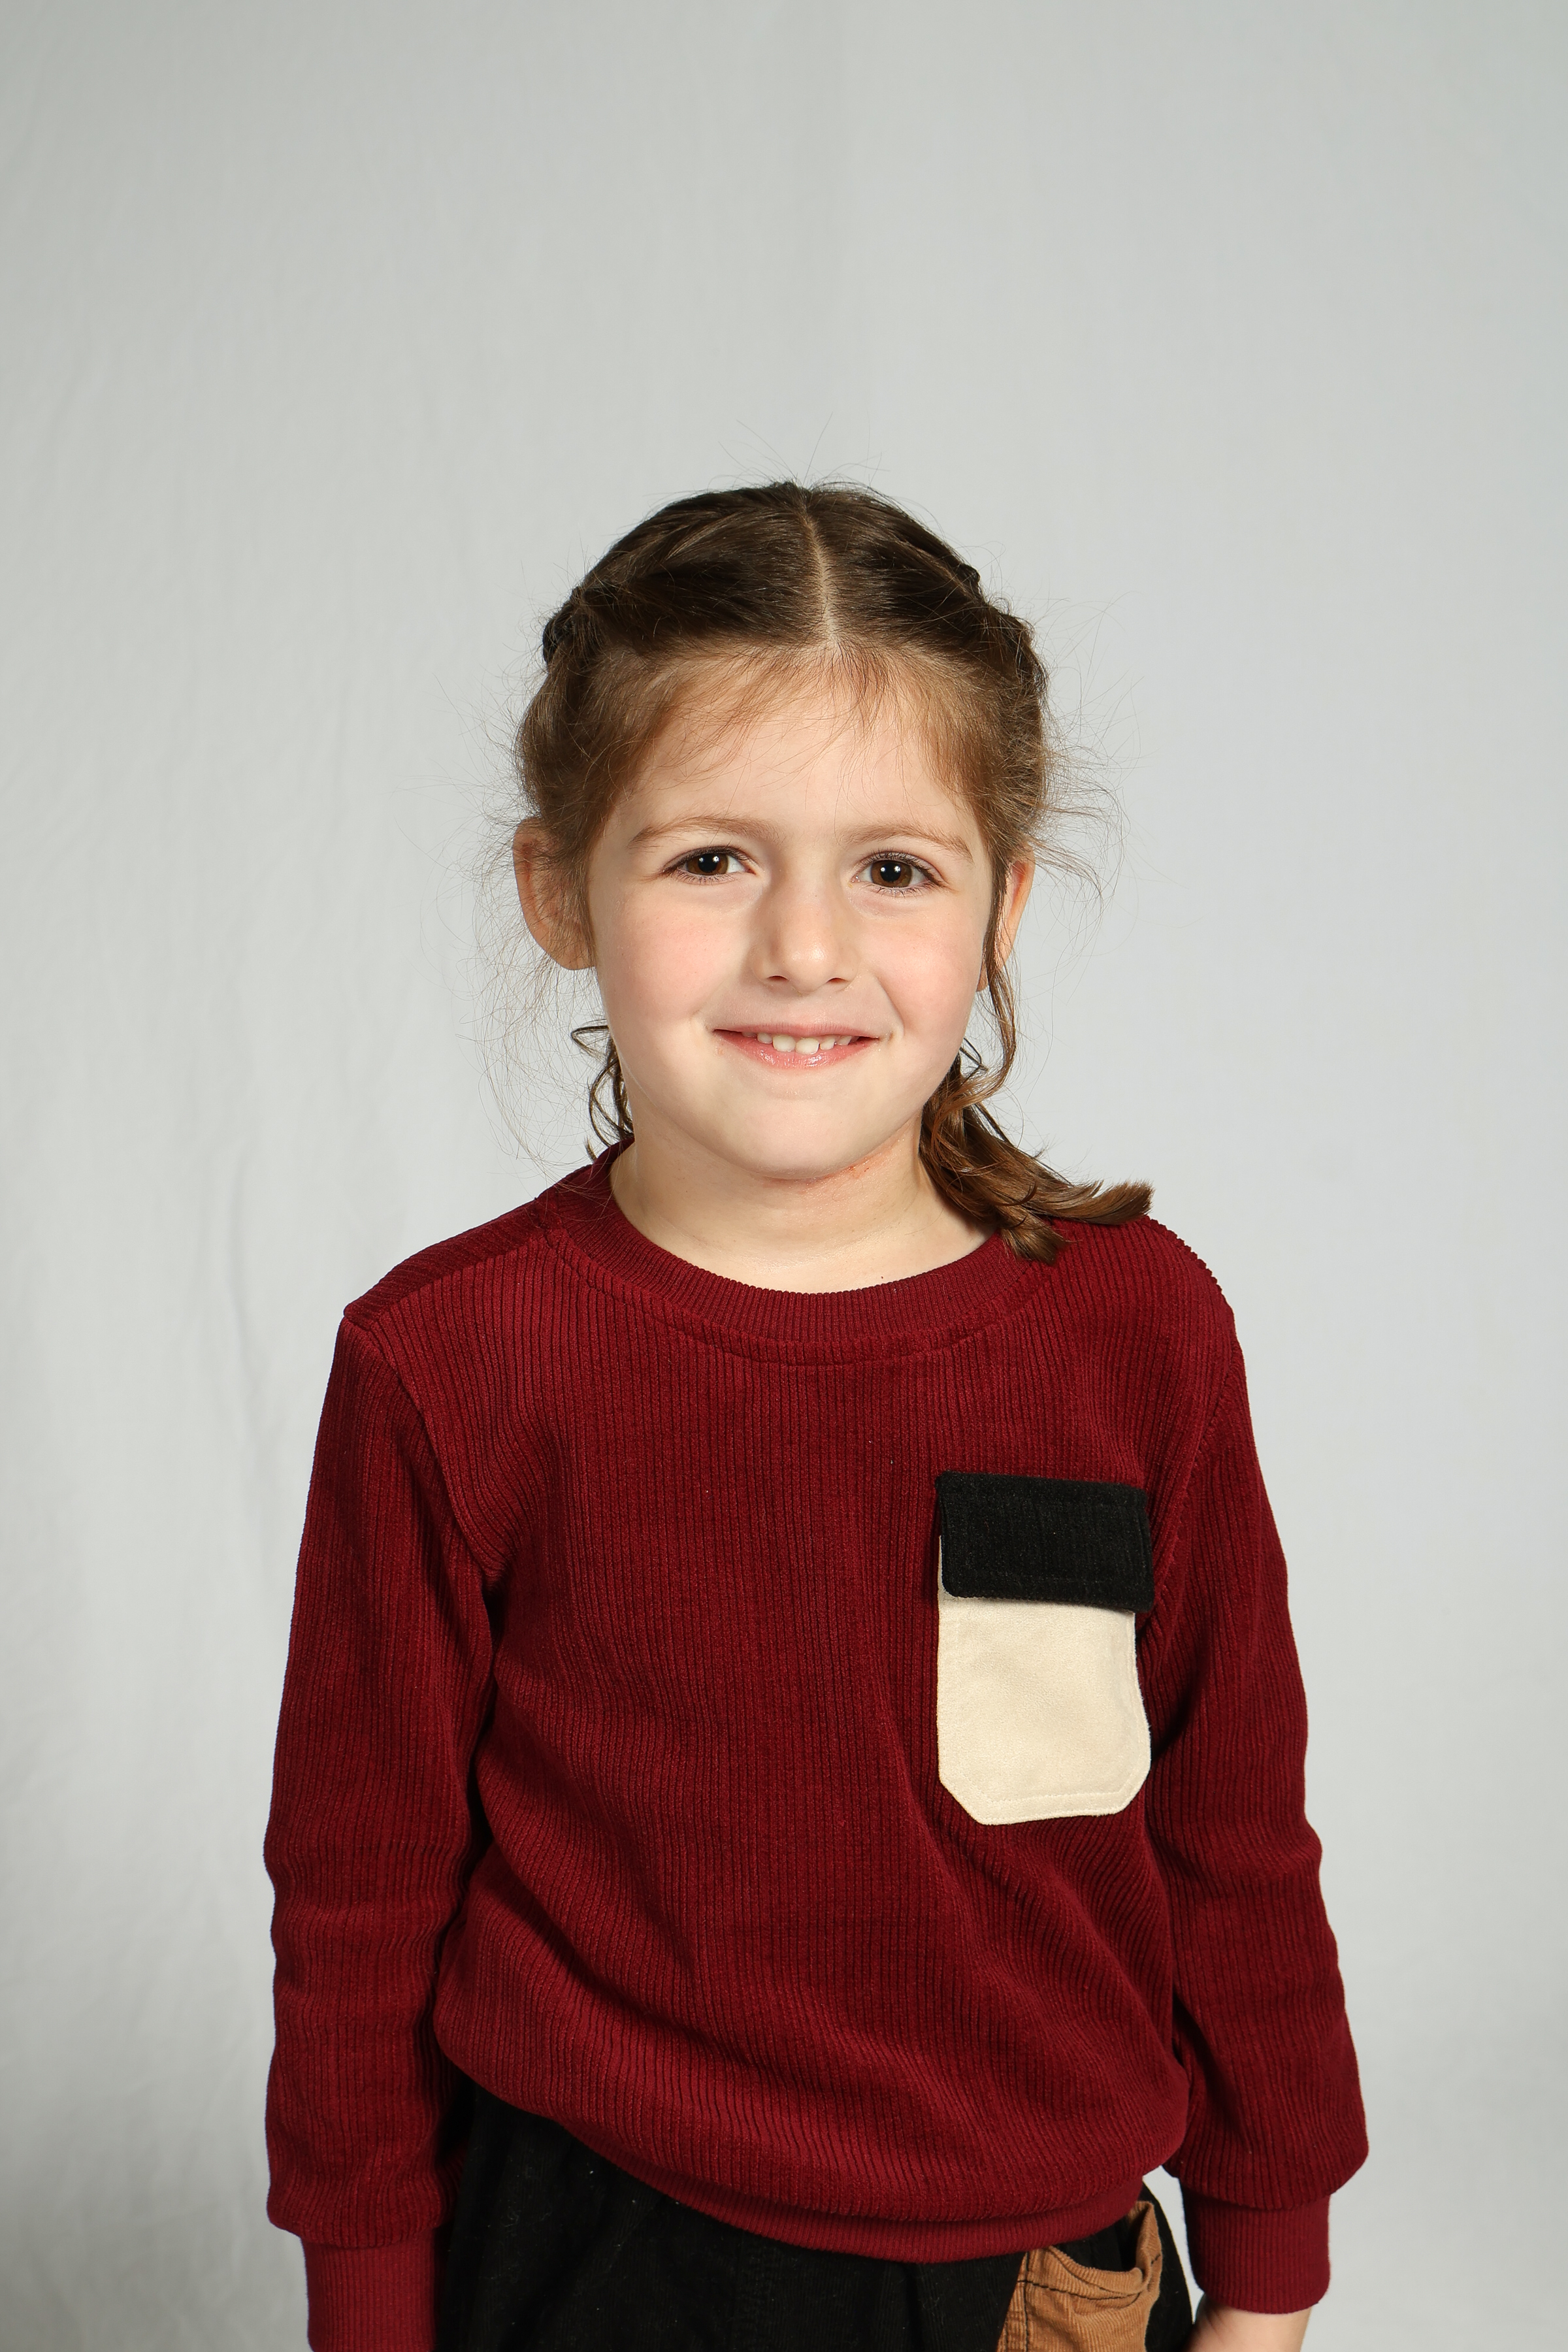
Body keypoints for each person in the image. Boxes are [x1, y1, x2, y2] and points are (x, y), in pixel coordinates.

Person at [263, 483, 1367, 2352]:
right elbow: (358, 1899)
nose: (802, 945)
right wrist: (370, 2310)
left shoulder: (1134, 1332)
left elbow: (1234, 1828)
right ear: (560, 890)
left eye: (895, 870)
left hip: (1043, 2285)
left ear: (1005, 903)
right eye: (711, 859)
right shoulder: (449, 1359)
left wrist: (1266, 2270)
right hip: (605, 2264)